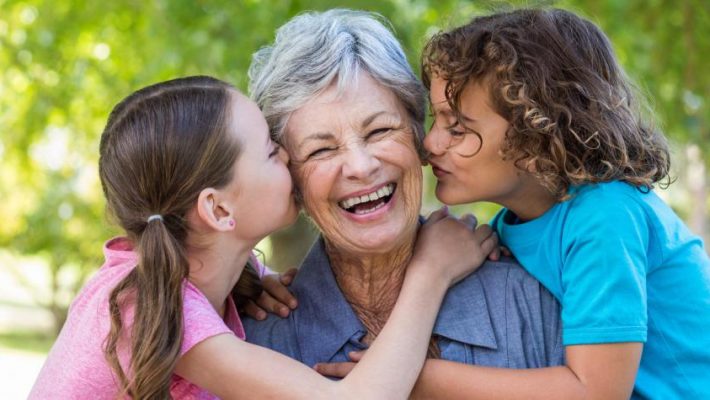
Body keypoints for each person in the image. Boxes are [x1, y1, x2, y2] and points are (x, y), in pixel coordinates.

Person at [29, 76, 497, 399]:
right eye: (273, 151)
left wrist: (255, 277)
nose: (293, 163)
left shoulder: (202, 276)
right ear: (217, 209)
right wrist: (431, 273)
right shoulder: (150, 303)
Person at [242, 8, 564, 385]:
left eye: (379, 131)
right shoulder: (253, 341)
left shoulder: (534, 298)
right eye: (321, 150)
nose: (361, 167)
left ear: (418, 138)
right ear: (290, 180)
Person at [420, 8, 710, 399]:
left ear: (535, 136)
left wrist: (417, 377)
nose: (429, 144)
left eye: (456, 127)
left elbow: (593, 393)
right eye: (434, 122)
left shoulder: (604, 215)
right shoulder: (515, 222)